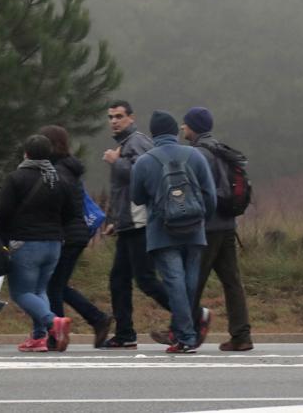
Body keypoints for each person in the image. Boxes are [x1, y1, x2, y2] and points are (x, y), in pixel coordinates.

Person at [130, 110, 217, 353]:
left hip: (162, 231)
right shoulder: (194, 155)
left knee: (174, 283)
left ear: (153, 133)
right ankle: (186, 334)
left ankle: (186, 336)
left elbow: (136, 198)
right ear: (173, 132)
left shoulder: (144, 161)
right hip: (194, 230)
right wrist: (201, 220)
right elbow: (210, 195)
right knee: (189, 282)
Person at [0, 134, 79, 353]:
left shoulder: (17, 178)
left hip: (26, 244)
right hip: (54, 244)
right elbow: (71, 212)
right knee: (40, 290)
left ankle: (53, 322)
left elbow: (3, 212)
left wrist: (1, 238)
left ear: (26, 153)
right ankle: (39, 337)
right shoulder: (59, 179)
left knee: (21, 293)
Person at [182, 106, 254, 351]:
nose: (183, 127)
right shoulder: (222, 150)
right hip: (227, 225)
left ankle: (182, 333)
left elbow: (196, 191)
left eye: (185, 124)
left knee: (193, 281)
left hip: (207, 226)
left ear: (193, 127)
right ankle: (241, 335)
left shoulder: (198, 154)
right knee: (232, 282)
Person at [101, 100, 170, 349]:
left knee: (145, 279)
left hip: (141, 223)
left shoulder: (138, 141)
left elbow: (146, 173)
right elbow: (120, 189)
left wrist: (115, 162)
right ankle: (125, 333)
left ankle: (193, 314)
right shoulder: (123, 144)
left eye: (119, 116)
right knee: (118, 279)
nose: (114, 121)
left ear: (131, 117)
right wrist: (113, 220)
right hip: (127, 224)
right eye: (110, 117)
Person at [40, 124, 114, 349]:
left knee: (53, 285)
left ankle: (57, 336)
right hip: (76, 233)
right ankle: (97, 319)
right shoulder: (68, 168)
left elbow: (59, 207)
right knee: (58, 284)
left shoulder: (59, 171)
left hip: (68, 235)